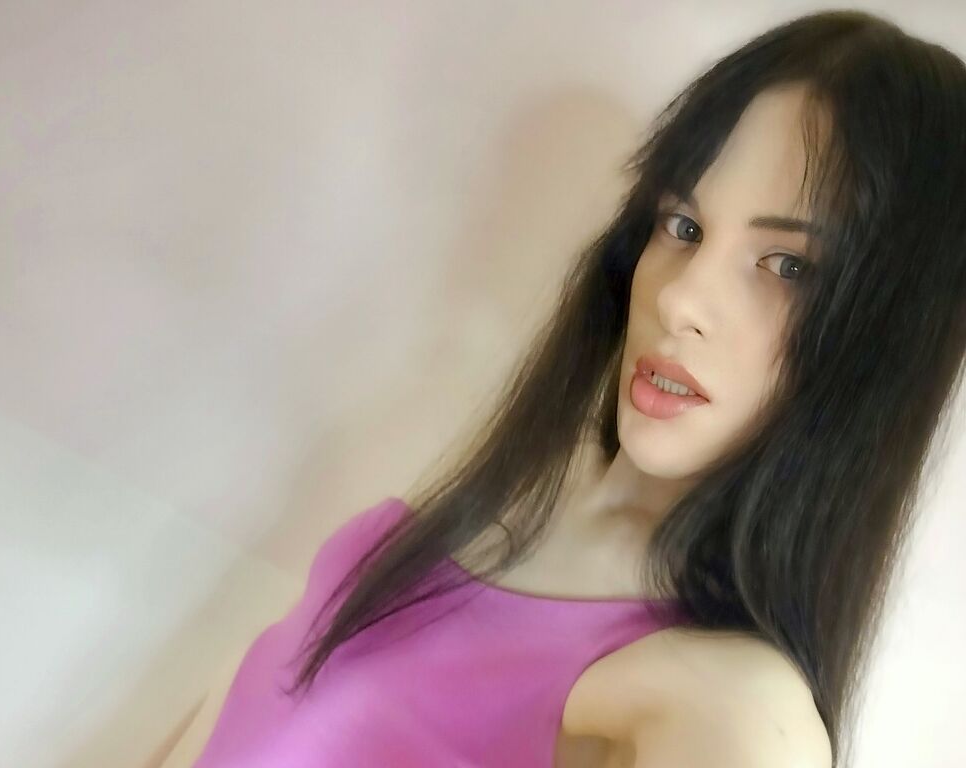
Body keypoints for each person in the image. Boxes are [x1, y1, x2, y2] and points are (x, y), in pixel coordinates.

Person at [158, 9, 966, 767]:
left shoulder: (731, 710)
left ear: (888, 337)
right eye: (682, 226)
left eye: (788, 267)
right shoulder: (474, 504)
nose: (681, 300)